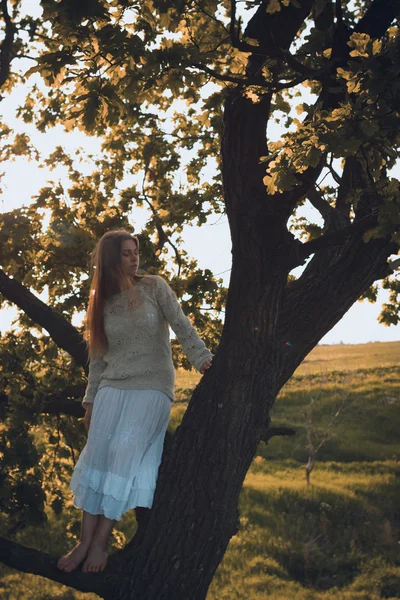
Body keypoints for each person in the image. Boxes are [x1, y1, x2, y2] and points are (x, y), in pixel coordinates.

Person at [57, 229, 213, 574]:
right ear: (112, 259)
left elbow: (182, 325)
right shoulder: (101, 301)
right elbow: (98, 358)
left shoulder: (155, 287)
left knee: (123, 453)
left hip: (152, 385)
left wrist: (201, 357)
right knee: (99, 454)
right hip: (112, 386)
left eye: (135, 251)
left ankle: (101, 543)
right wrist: (90, 401)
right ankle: (83, 541)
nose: (134, 258)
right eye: (126, 253)